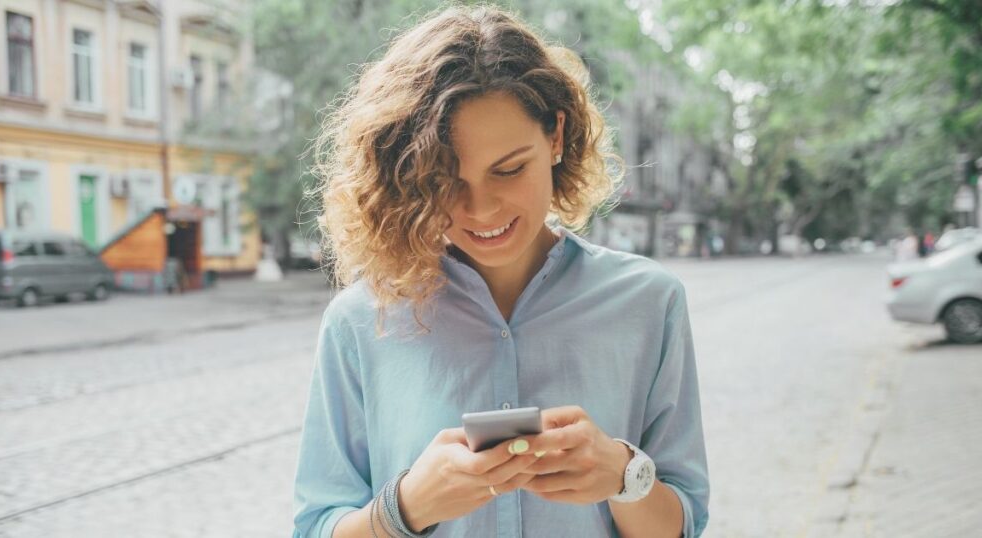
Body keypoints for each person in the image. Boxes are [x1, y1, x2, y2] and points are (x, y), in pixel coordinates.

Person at [293, 6, 709, 538]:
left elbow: (683, 524)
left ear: (556, 136)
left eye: (509, 169)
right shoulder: (358, 321)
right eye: (443, 180)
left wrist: (624, 475)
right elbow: (315, 528)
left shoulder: (650, 303)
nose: (482, 209)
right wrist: (405, 507)